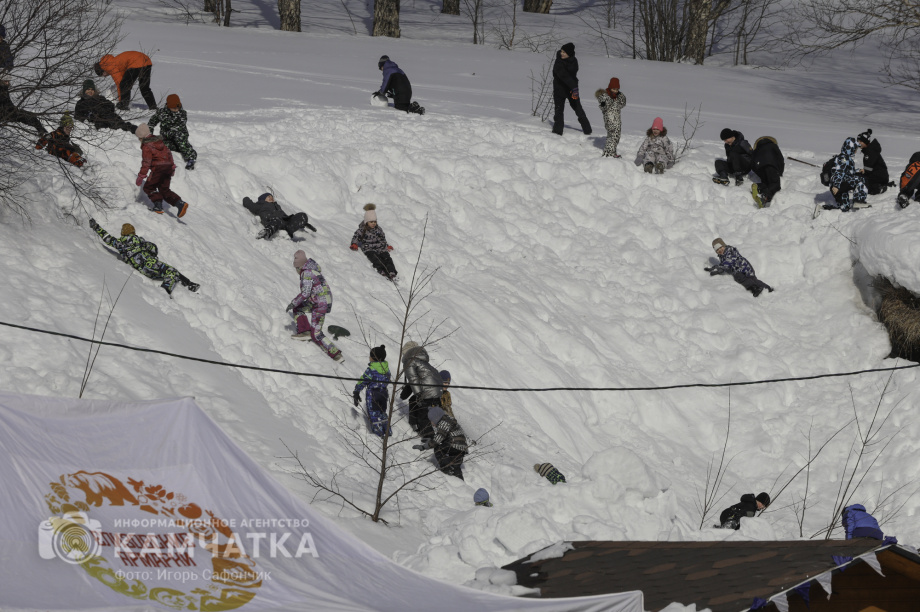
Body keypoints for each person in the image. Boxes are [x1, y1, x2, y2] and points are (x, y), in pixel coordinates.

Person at [88, 219, 199, 296]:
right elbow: (154, 249)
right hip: (150, 263)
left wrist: (96, 227)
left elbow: (107, 238)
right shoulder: (139, 240)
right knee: (172, 271)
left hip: (141, 268)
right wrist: (147, 246)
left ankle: (181, 288)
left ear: (122, 233)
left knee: (169, 273)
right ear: (133, 232)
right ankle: (179, 288)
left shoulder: (120, 243)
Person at [286, 250, 343, 362]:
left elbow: (305, 293)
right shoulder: (312, 270)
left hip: (320, 303)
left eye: (296, 268)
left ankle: (336, 354)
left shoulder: (306, 273)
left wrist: (293, 302)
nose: (296, 271)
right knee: (299, 308)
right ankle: (305, 331)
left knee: (316, 333)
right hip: (320, 300)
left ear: (299, 267)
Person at [135, 124, 189, 217]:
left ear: (142, 136)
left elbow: (146, 162)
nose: (139, 140)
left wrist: (141, 176)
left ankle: (158, 206)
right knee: (164, 190)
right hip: (167, 168)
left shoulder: (146, 145)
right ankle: (180, 203)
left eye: (139, 138)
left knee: (148, 187)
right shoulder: (159, 141)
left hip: (158, 169)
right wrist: (172, 166)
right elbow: (169, 153)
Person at [399, 341, 443, 437]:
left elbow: (413, 379)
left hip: (427, 393)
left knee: (423, 416)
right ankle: (416, 424)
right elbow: (414, 382)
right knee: (413, 400)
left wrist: (418, 394)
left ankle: (428, 437)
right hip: (437, 392)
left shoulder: (409, 361)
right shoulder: (423, 362)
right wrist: (404, 395)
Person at [706, 238, 774, 298]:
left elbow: (728, 262)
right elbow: (724, 265)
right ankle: (767, 288)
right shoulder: (722, 256)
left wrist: (719, 266)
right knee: (752, 279)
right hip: (741, 268)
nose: (720, 250)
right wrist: (718, 270)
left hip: (744, 267)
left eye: (720, 247)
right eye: (717, 250)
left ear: (724, 245)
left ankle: (756, 288)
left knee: (742, 278)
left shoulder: (729, 251)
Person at [148, 94, 197, 170]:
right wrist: (149, 132)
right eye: (174, 108)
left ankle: (191, 158)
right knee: (159, 145)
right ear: (168, 106)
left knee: (181, 142)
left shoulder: (182, 114)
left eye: (178, 107)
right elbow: (152, 122)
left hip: (180, 136)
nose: (176, 109)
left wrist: (169, 133)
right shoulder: (161, 113)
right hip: (166, 137)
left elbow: (178, 128)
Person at [551, 42, 591, 136]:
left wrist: (574, 89)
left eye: (564, 52)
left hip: (571, 89)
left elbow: (572, 76)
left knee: (578, 108)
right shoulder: (558, 62)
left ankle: (587, 130)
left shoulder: (574, 61)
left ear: (569, 53)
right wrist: (574, 87)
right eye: (561, 51)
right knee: (559, 110)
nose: (562, 53)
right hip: (559, 89)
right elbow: (564, 76)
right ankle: (557, 132)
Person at [350, 204, 397, 280]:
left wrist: (386, 246)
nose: (373, 223)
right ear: (366, 222)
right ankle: (381, 270)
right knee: (376, 259)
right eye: (371, 222)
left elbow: (382, 239)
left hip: (380, 248)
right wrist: (354, 244)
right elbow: (356, 237)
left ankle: (392, 272)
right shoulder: (362, 230)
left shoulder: (378, 229)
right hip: (369, 249)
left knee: (387, 258)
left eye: (375, 221)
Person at [353, 345, 391, 437]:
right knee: (382, 412)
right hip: (384, 393)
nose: (369, 357)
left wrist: (357, 391)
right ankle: (387, 432)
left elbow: (363, 380)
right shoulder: (386, 369)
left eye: (370, 356)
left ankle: (379, 434)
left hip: (373, 394)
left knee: (374, 414)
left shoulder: (371, 369)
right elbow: (388, 379)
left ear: (374, 358)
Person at [421, 406, 468, 480]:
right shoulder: (449, 420)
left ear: (436, 418)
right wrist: (431, 440)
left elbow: (438, 440)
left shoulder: (443, 423)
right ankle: (460, 481)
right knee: (456, 466)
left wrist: (425, 446)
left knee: (438, 449)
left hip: (454, 445)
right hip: (462, 448)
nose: (432, 423)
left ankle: (446, 469)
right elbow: (445, 436)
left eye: (432, 421)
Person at [243, 192, 316, 240]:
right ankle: (267, 232)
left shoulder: (277, 206)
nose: (271, 197)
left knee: (302, 215)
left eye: (271, 196)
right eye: (268, 197)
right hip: (271, 220)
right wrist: (246, 199)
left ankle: (289, 229)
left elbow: (285, 215)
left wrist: (303, 222)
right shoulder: (260, 205)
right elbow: (249, 205)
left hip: (284, 220)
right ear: (263, 199)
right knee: (277, 221)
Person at [826, 137, 868, 212]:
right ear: (851, 149)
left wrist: (858, 170)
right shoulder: (844, 158)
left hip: (839, 185)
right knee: (861, 180)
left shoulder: (844, 157)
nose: (856, 151)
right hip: (840, 184)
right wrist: (836, 185)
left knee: (844, 207)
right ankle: (859, 201)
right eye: (855, 149)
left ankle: (824, 210)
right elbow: (839, 171)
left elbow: (848, 172)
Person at [595, 78, 625, 157]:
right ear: (610, 87)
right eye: (614, 89)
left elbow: (622, 104)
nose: (615, 91)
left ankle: (611, 152)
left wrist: (620, 95)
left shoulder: (617, 97)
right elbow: (603, 106)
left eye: (617, 89)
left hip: (617, 120)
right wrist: (604, 103)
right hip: (610, 120)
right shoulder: (605, 96)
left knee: (616, 137)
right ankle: (609, 154)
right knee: (612, 137)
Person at [750, 136, 785, 207]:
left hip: (759, 167)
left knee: (766, 183)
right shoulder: (773, 146)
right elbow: (780, 159)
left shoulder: (757, 148)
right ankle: (765, 197)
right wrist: (780, 172)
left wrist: (758, 172)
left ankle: (759, 187)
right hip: (771, 165)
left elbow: (752, 162)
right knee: (775, 184)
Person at [856, 129, 890, 195]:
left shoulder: (870, 152)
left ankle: (879, 188)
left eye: (860, 141)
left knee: (862, 183)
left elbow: (868, 169)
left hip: (879, 177)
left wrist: (862, 172)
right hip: (880, 175)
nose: (858, 143)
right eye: (858, 141)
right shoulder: (869, 150)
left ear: (865, 141)